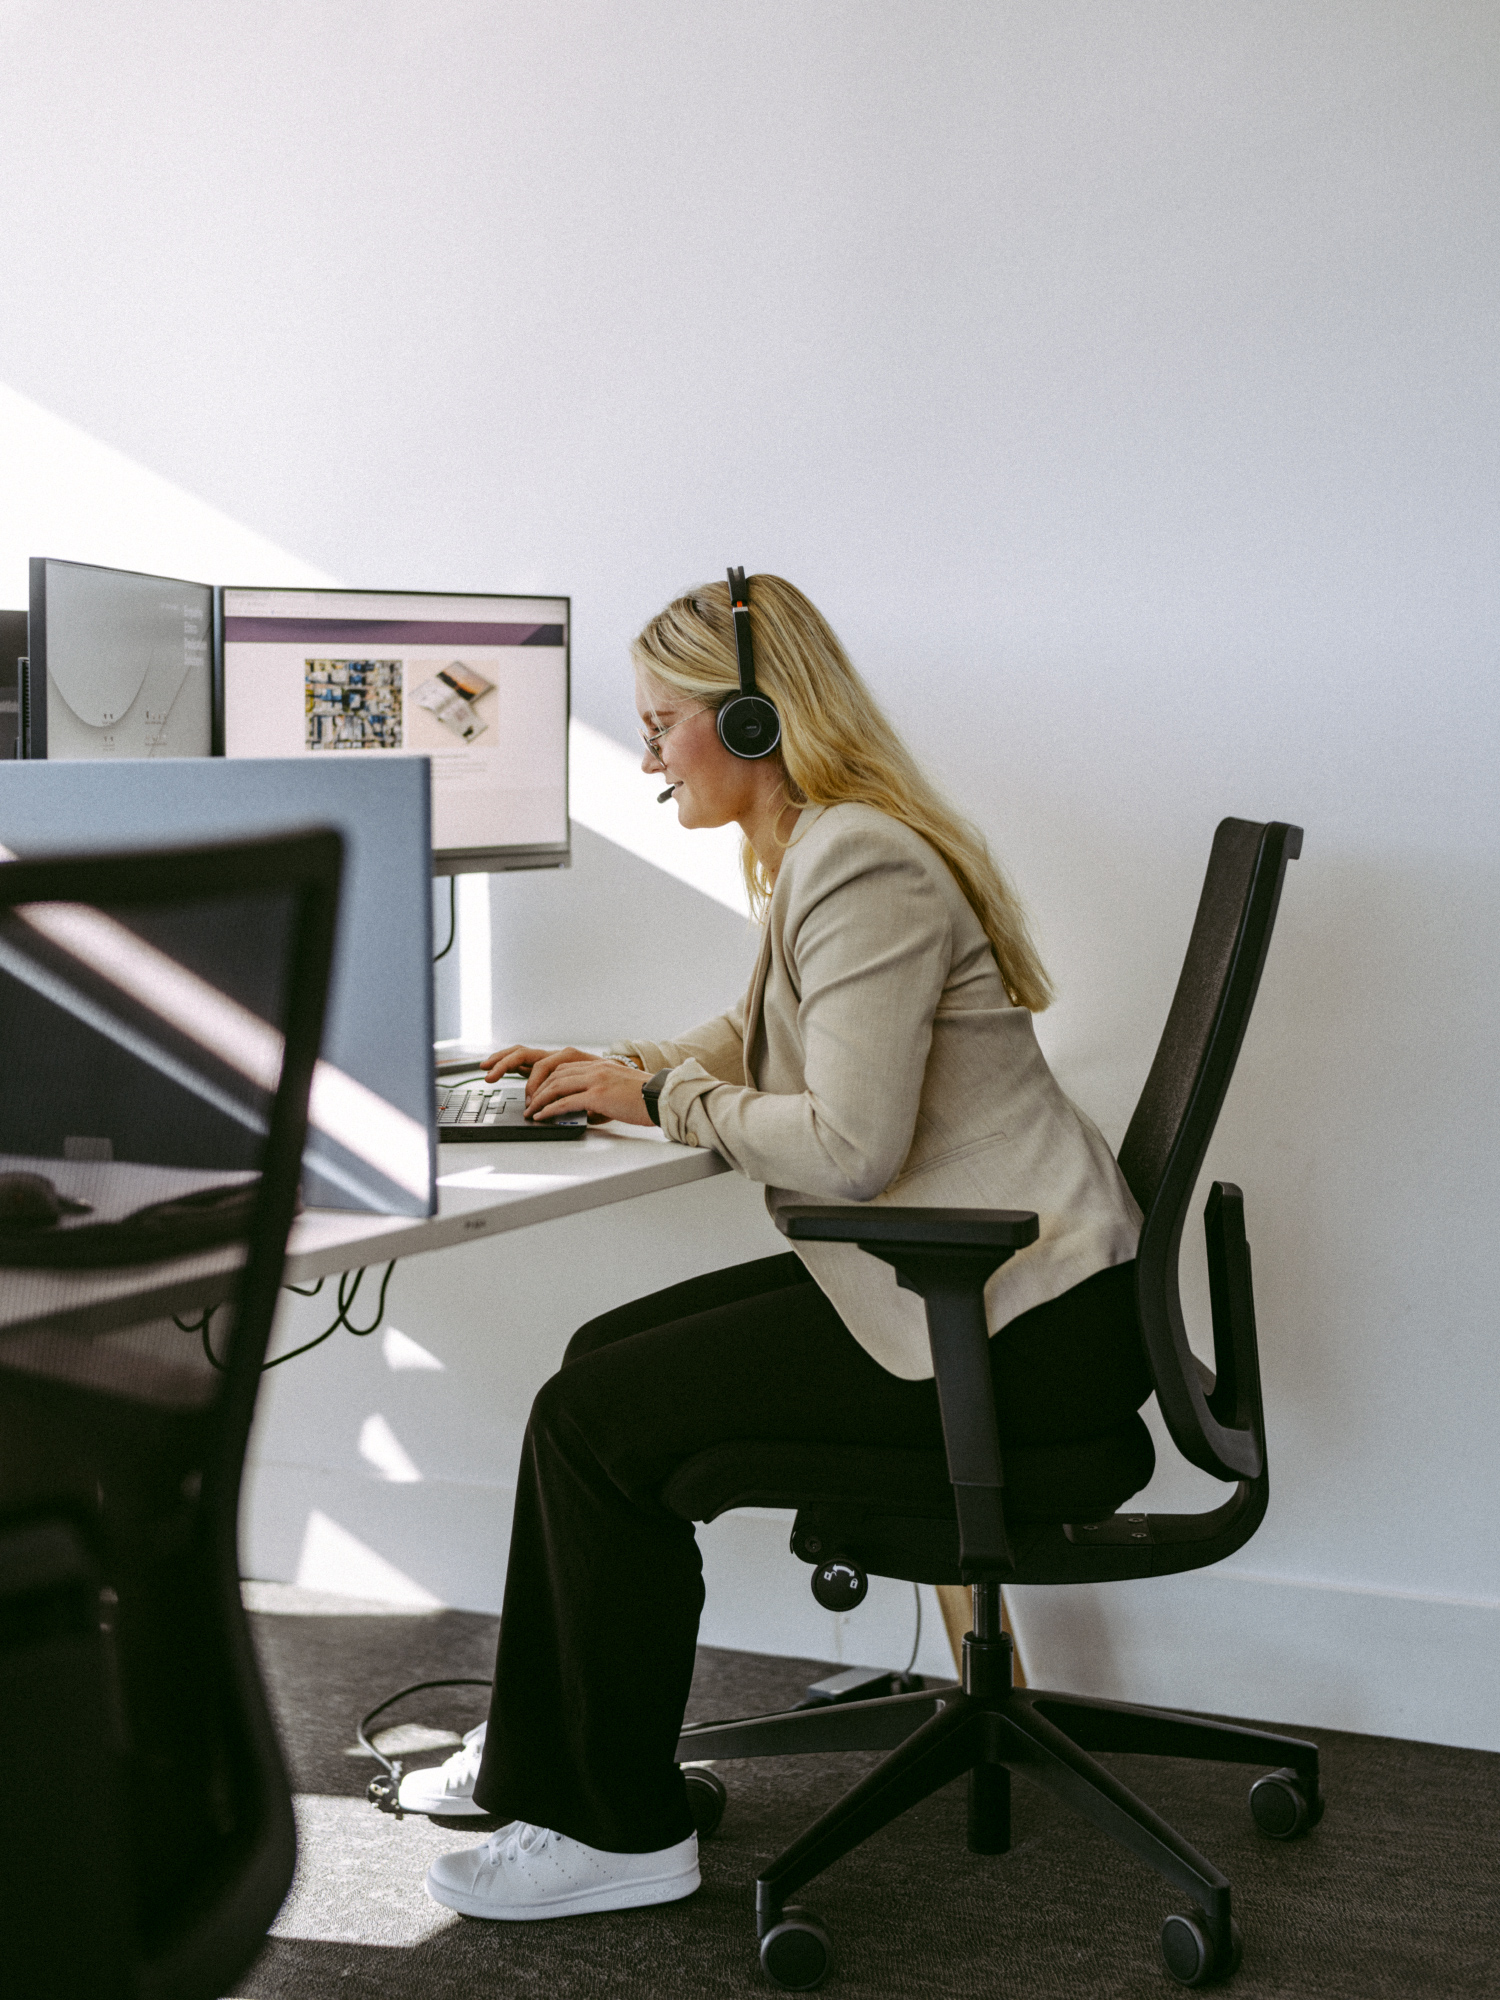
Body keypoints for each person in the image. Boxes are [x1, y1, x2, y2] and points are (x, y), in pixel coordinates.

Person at [412, 572, 1148, 1923]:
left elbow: (850, 1147)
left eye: (659, 723)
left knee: (591, 1419)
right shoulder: (830, 848)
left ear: (753, 720)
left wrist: (659, 1101)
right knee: (599, 1365)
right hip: (985, 1292)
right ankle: (574, 1764)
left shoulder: (859, 861)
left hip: (1008, 1332)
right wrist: (611, 1066)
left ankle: (615, 1828)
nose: (642, 758)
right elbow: (753, 1043)